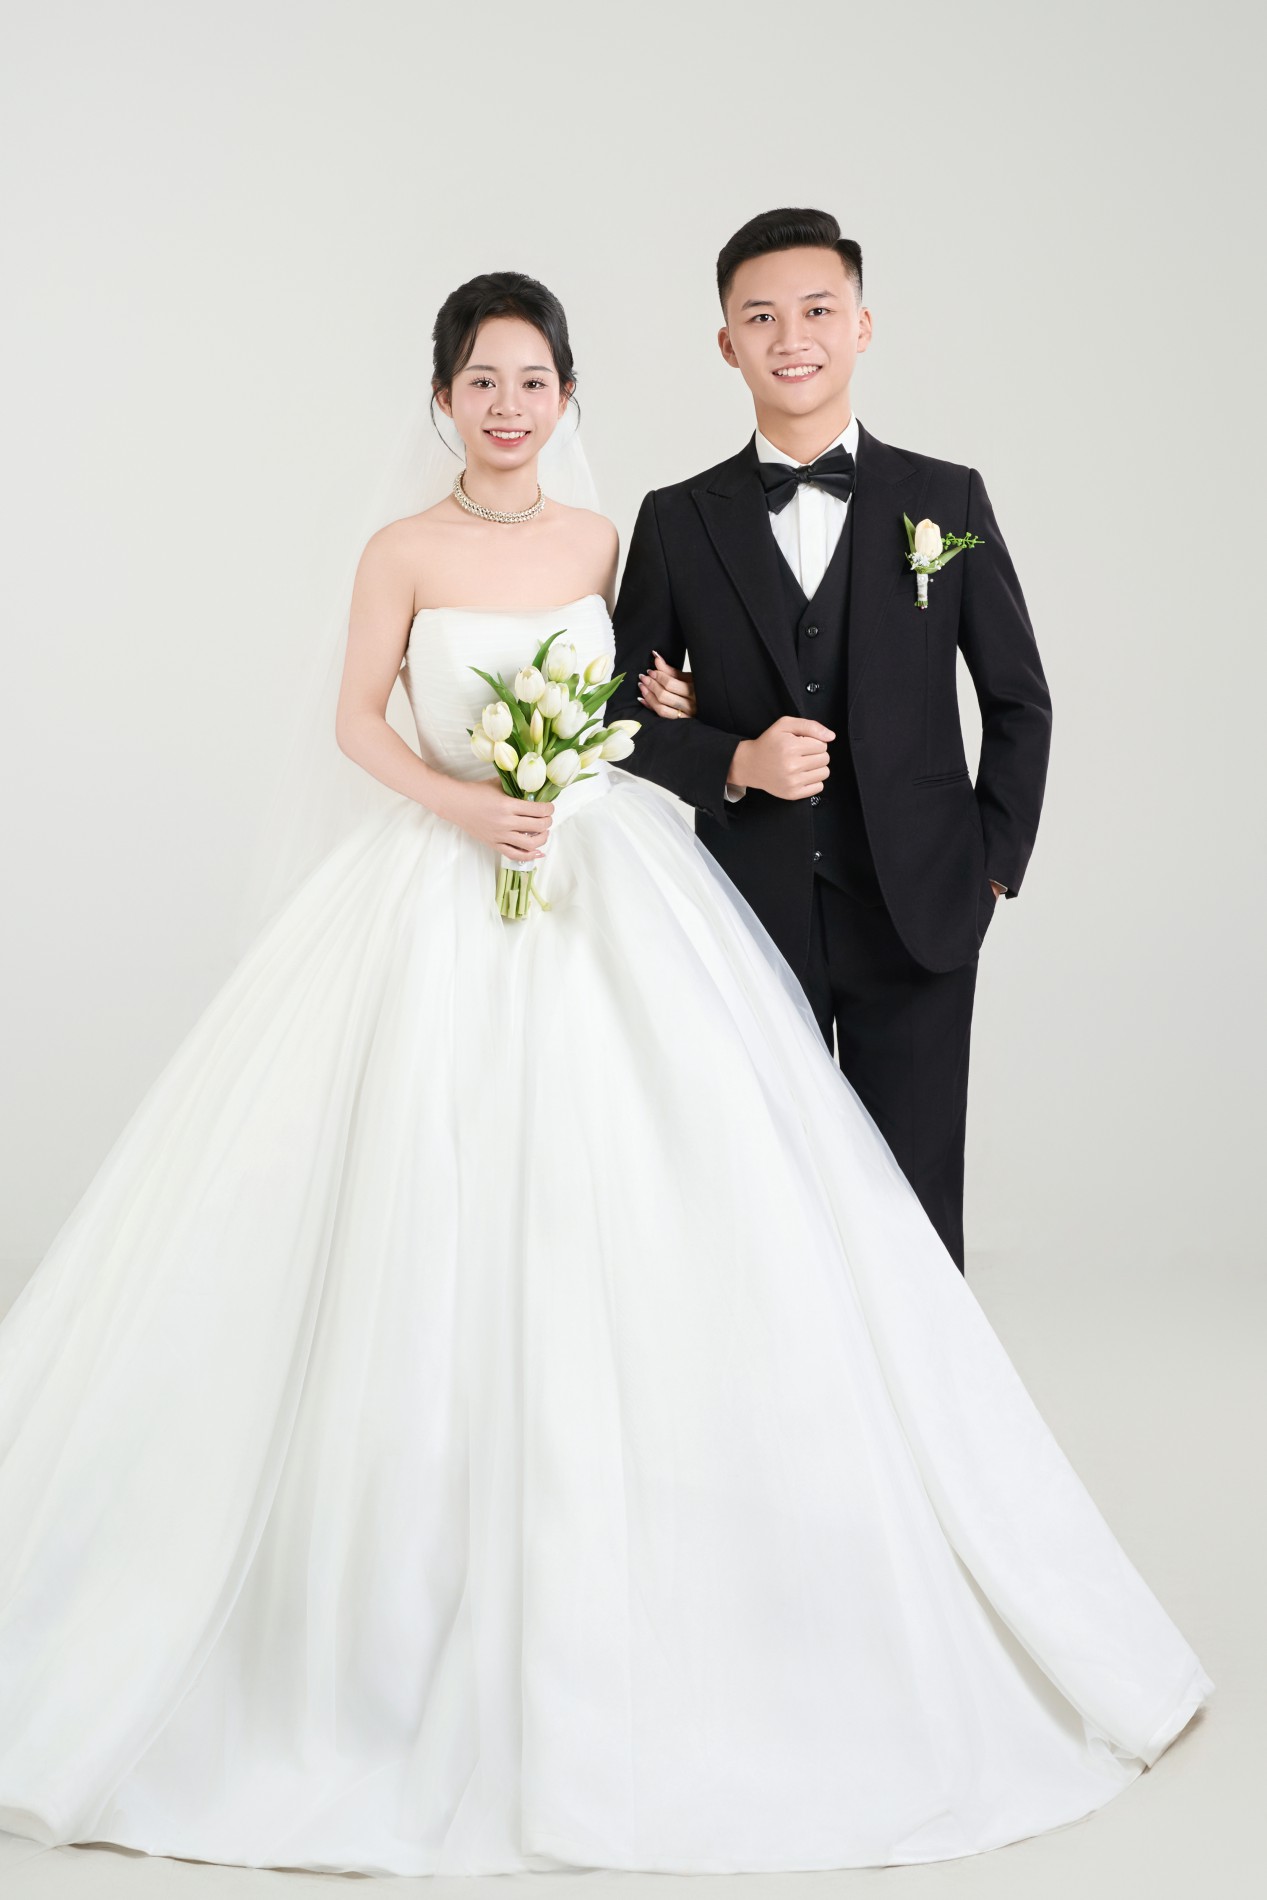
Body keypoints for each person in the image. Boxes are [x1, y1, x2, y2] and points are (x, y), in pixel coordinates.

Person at [0, 270, 1210, 1881]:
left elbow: (651, 694)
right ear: (441, 397)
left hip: (608, 887)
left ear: (567, 394)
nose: (507, 405)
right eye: (480, 381)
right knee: (423, 1222)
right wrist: (472, 802)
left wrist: (659, 729)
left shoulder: (601, 541)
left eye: (533, 380)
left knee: (693, 1220)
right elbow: (357, 720)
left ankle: (803, 1560)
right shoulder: (403, 550)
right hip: (446, 882)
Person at [609, 207, 1052, 1272]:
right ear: (727, 343)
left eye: (816, 310)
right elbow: (616, 714)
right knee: (767, 1198)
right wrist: (732, 760)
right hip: (747, 910)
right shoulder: (677, 518)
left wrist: (990, 865)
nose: (790, 337)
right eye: (760, 317)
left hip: (922, 905)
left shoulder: (944, 498)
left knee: (914, 1200)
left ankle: (924, 1389)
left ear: (861, 326)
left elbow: (1018, 699)